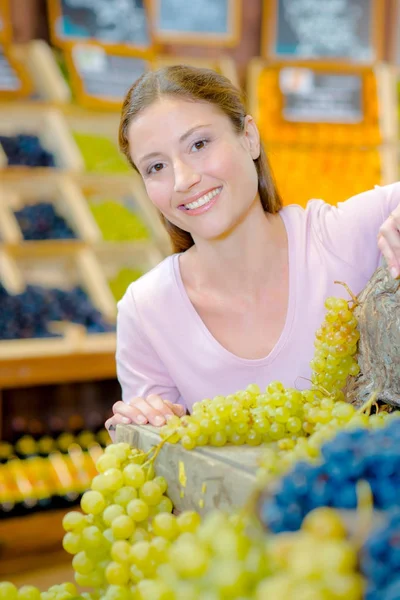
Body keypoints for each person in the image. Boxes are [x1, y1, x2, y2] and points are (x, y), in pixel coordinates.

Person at [105, 65, 400, 435]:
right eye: (156, 166)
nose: (183, 180)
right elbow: (161, 472)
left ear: (249, 137)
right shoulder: (146, 310)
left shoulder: (339, 236)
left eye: (199, 144)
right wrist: (145, 426)